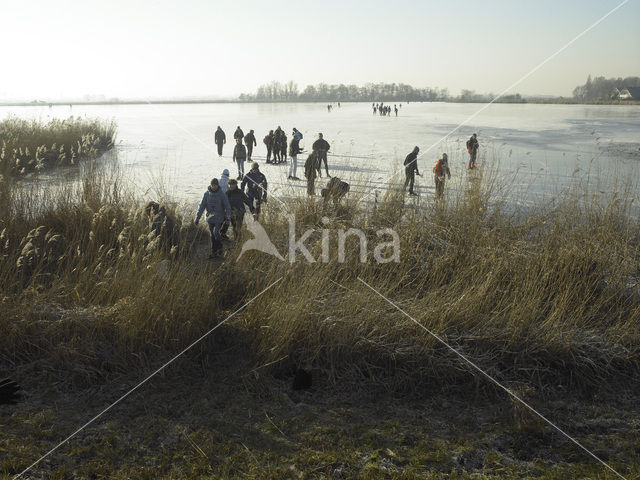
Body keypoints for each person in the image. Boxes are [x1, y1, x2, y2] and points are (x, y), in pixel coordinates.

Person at [195, 178, 231, 258]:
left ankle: (220, 247)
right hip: (209, 218)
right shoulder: (207, 194)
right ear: (210, 185)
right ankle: (213, 252)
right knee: (212, 235)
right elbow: (202, 206)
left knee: (216, 232)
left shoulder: (222, 194)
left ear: (218, 185)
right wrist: (197, 217)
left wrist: (228, 216)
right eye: (212, 185)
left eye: (215, 185)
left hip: (219, 217)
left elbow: (227, 206)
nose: (214, 187)